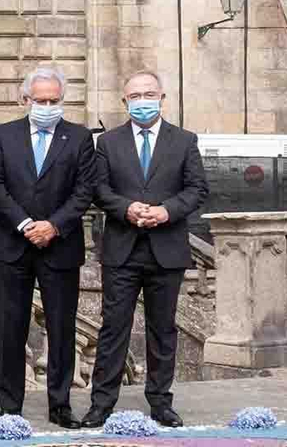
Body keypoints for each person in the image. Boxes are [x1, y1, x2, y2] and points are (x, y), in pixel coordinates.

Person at [84, 70, 210, 429]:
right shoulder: (108, 143)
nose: (142, 101)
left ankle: (160, 402)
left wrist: (166, 211)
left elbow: (197, 189)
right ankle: (101, 403)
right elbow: (99, 190)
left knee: (163, 330)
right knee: (113, 329)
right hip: (122, 250)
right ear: (125, 102)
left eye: (148, 94)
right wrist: (126, 209)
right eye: (135, 96)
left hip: (166, 249)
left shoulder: (184, 141)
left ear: (162, 97)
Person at [0, 67, 98, 429]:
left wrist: (54, 226)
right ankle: (9, 405)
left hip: (59, 246)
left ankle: (60, 404)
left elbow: (85, 191)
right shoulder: (5, 135)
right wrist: (25, 224)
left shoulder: (80, 138)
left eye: (54, 101)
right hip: (13, 245)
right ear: (26, 100)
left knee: (62, 328)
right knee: (11, 327)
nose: (48, 106)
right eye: (41, 100)